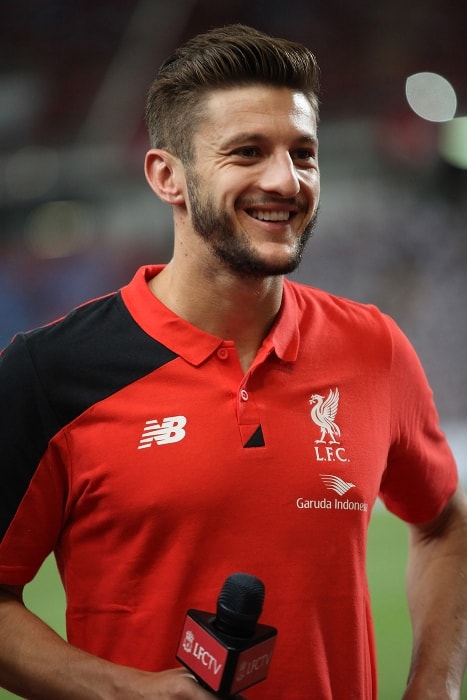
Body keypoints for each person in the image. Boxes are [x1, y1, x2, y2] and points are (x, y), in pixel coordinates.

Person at [0, 23, 466, 700]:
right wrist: (124, 691)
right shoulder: (52, 371)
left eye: (302, 155)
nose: (285, 180)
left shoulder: (374, 348)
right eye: (247, 152)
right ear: (168, 176)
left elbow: (441, 522)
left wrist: (436, 683)